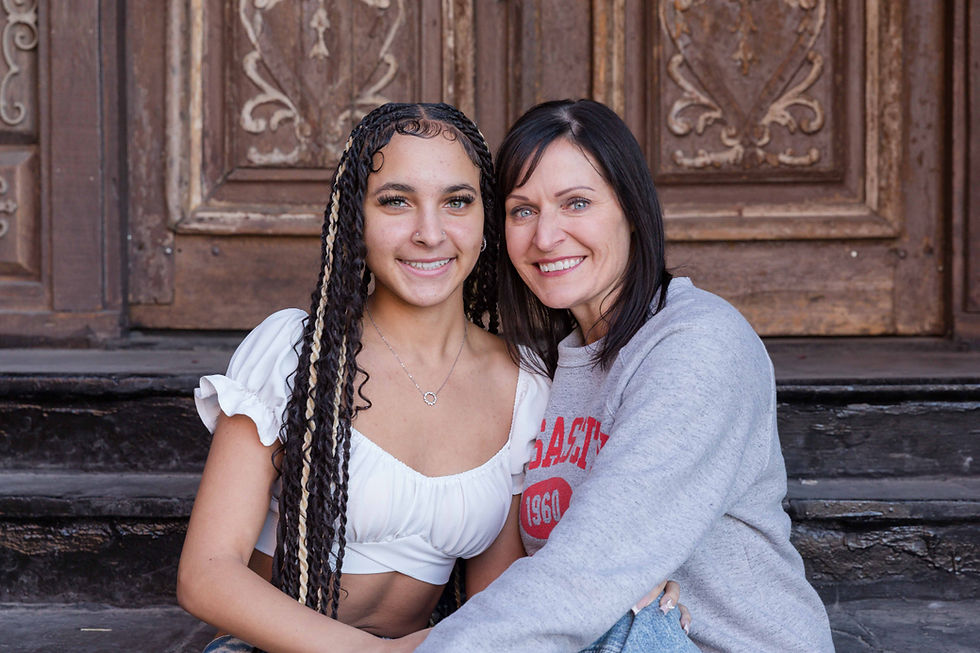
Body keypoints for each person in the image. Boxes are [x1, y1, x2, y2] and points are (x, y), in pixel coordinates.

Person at [176, 102, 687, 653]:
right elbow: (205, 575)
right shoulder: (298, 351)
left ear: (487, 221)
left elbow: (495, 600)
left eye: (457, 202)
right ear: (356, 220)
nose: (429, 232)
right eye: (396, 201)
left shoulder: (524, 384)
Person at [413, 99, 836, 652]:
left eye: (577, 203)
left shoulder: (699, 346)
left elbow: (585, 575)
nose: (546, 237)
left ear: (632, 210)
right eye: (522, 210)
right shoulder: (546, 370)